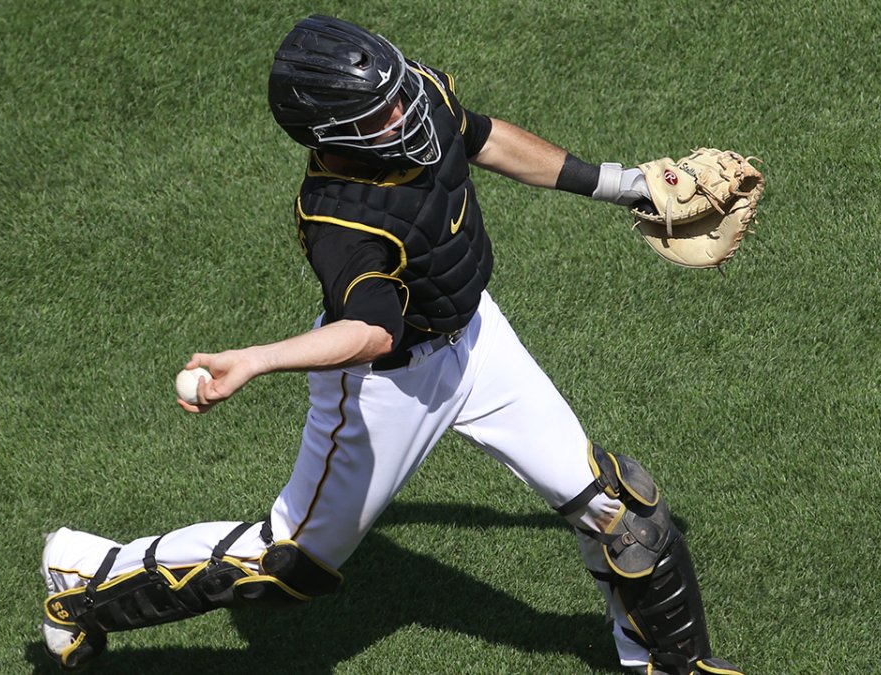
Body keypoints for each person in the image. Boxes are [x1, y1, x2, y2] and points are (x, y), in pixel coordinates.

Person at [39, 15, 742, 675]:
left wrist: (620, 185)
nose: (404, 113)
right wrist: (256, 359)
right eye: (380, 114)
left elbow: (485, 136)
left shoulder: (412, 94)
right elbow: (371, 330)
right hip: (385, 384)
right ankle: (84, 578)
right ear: (331, 133)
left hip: (476, 339)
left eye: (401, 95)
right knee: (290, 565)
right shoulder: (340, 217)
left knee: (622, 512)